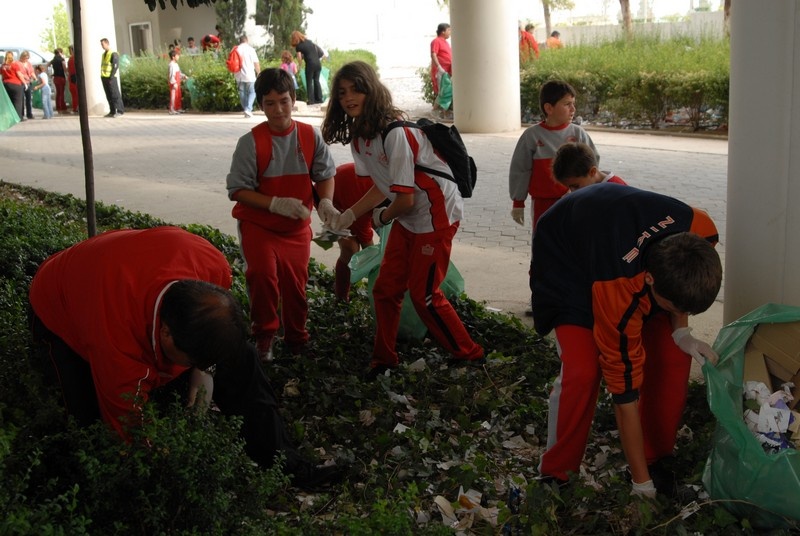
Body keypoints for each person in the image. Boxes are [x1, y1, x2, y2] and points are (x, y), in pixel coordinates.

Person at [28, 226, 342, 489]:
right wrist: (170, 471)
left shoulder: (212, 266)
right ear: (165, 333)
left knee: (242, 358)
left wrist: (204, 371)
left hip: (130, 269)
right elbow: (129, 435)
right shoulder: (118, 346)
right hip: (58, 306)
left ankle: (286, 463)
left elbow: (213, 344)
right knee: (88, 422)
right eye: (192, 361)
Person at [531, 183, 722, 498]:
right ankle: (557, 474)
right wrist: (639, 482)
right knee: (583, 371)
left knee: (673, 357)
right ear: (649, 280)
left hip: (615, 239)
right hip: (566, 261)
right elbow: (624, 395)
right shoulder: (617, 288)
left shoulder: (701, 229)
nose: (681, 313)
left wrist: (681, 332)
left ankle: (658, 457)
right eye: (677, 309)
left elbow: (681, 286)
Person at [321, 61, 484, 373]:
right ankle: (383, 360)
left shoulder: (395, 133)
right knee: (385, 290)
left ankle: (470, 354)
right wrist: (349, 216)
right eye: (342, 93)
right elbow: (384, 187)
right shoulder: (360, 138)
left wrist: (380, 219)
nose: (349, 97)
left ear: (372, 89)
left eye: (357, 89)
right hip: (409, 216)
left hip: (436, 214)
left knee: (424, 295)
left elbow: (404, 199)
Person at [226, 68, 337, 362]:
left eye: (284, 101)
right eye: (270, 103)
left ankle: (297, 337)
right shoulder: (250, 143)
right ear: (261, 105)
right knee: (262, 278)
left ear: (294, 99)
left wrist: (325, 203)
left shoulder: (309, 136)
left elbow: (325, 174)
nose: (278, 110)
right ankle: (264, 337)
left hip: (296, 228)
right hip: (259, 226)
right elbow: (237, 190)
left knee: (296, 285)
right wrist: (274, 203)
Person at [508, 80, 598, 232]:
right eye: (567, 104)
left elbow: (593, 165)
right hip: (543, 203)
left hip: (575, 200)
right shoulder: (532, 136)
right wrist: (518, 202)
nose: (573, 109)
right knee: (544, 240)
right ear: (549, 108)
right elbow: (520, 169)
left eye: (573, 104)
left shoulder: (579, 134)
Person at [330, 162, 375, 302]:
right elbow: (364, 234)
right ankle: (341, 295)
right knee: (351, 249)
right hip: (331, 201)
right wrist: (374, 260)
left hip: (352, 195)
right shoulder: (369, 194)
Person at [552, 142, 627, 191]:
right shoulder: (591, 186)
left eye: (576, 186)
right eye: (570, 188)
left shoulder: (616, 190)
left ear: (592, 172)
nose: (572, 191)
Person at [290, 31, 323, 105]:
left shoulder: (299, 46)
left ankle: (311, 100)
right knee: (316, 80)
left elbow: (299, 57)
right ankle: (319, 99)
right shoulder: (309, 42)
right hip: (318, 64)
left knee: (309, 82)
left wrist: (299, 65)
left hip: (310, 64)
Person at [233, 35, 261, 118]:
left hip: (238, 75)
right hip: (250, 75)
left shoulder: (236, 49)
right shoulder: (251, 50)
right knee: (253, 92)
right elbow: (256, 63)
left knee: (242, 92)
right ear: (247, 40)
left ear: (240, 41)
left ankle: (246, 109)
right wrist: (259, 73)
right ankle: (248, 109)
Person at [430, 22, 452, 111]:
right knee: (444, 92)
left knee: (446, 92)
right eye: (449, 30)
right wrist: (439, 67)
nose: (450, 32)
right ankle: (438, 112)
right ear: (443, 31)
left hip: (447, 71)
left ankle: (439, 112)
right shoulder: (436, 41)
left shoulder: (446, 42)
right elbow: (433, 54)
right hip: (441, 71)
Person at [100, 38, 124, 118]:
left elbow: (115, 66)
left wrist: (111, 76)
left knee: (115, 94)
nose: (102, 46)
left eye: (102, 44)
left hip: (111, 78)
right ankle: (112, 110)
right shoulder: (104, 54)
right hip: (104, 77)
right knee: (109, 95)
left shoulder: (113, 54)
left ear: (107, 43)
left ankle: (120, 110)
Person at [1, 51, 25, 121]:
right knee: (18, 101)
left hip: (6, 84)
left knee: (9, 102)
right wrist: (25, 83)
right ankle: (18, 117)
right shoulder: (14, 65)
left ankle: (10, 117)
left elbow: (2, 75)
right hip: (16, 84)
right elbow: (19, 75)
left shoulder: (3, 66)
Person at [48, 48, 68, 114]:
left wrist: (51, 73)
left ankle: (58, 107)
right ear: (60, 52)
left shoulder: (53, 60)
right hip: (61, 77)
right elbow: (65, 68)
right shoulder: (62, 60)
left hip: (55, 78)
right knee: (61, 93)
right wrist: (67, 73)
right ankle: (62, 108)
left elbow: (48, 65)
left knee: (58, 93)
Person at [167, 50, 186, 115]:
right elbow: (172, 74)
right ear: (173, 57)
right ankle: (172, 109)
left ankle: (178, 108)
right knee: (173, 96)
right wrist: (173, 82)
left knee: (178, 95)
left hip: (177, 82)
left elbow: (179, 73)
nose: (178, 57)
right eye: (177, 55)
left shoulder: (176, 64)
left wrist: (183, 76)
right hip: (174, 82)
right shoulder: (171, 65)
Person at [18, 51, 35, 120]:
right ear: (22, 57)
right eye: (25, 58)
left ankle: (29, 114)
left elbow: (31, 72)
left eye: (27, 58)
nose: (26, 59)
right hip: (21, 83)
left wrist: (34, 77)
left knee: (29, 99)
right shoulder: (18, 64)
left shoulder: (28, 64)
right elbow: (19, 73)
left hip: (28, 82)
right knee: (21, 99)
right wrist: (25, 77)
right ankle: (21, 114)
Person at [67, 45, 79, 114]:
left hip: (73, 78)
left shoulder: (71, 59)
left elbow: (69, 69)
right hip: (74, 77)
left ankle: (76, 108)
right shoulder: (73, 58)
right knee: (75, 94)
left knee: (74, 94)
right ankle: (76, 108)